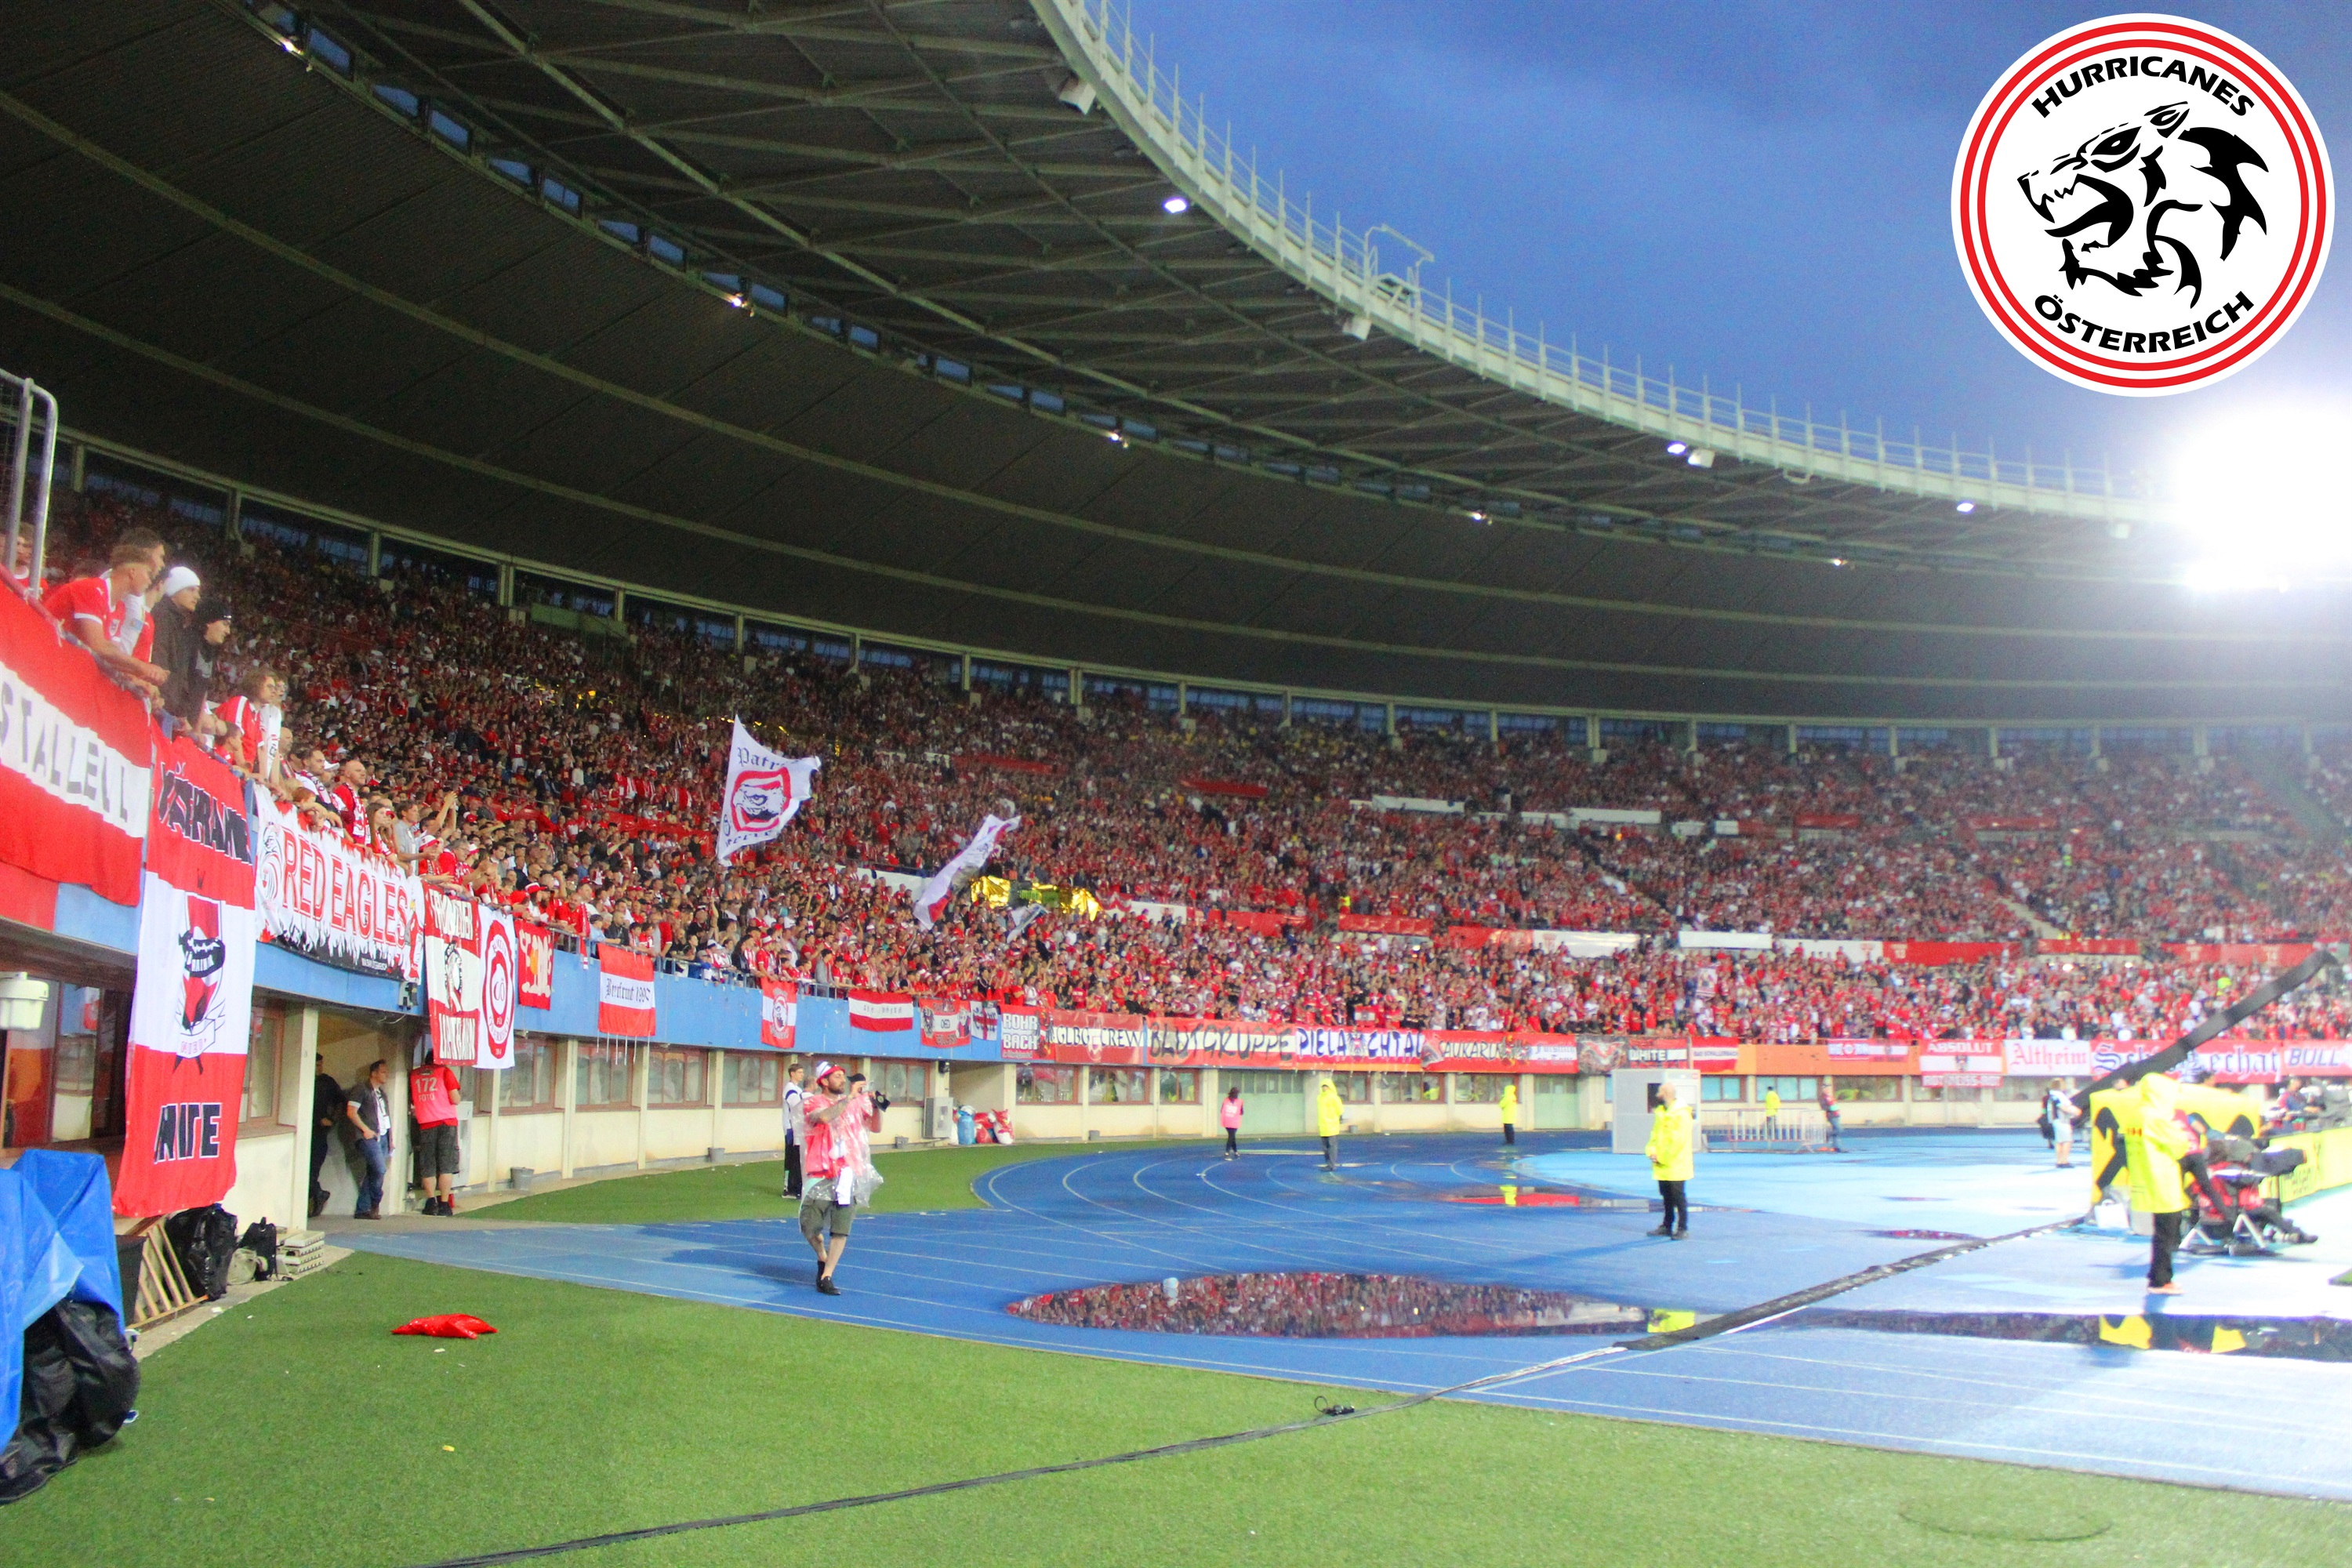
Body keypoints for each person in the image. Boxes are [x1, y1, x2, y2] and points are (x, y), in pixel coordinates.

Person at [42, 535, 169, 691]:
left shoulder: (120, 608)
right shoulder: (92, 589)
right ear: (133, 572)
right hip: (43, 659)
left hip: (62, 670)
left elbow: (111, 654)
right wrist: (142, 667)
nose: (150, 581)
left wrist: (139, 681)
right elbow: (98, 646)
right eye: (148, 574)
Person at [798, 1061, 879, 1295]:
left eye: (844, 1076)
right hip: (820, 1172)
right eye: (837, 1077)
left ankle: (827, 1275)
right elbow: (824, 1118)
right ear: (823, 1081)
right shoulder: (813, 1102)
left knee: (841, 1228)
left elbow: (875, 1128)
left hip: (848, 1172)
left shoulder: (855, 1103)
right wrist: (850, 1099)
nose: (843, 1081)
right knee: (809, 1226)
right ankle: (822, 1256)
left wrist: (878, 1108)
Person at [2126, 1074, 2193, 1295]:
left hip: (2144, 1178)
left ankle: (2158, 1276)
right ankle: (2160, 1280)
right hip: (2162, 1179)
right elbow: (2180, 1145)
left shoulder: (2136, 1115)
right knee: (2167, 1233)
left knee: (2161, 1232)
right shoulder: (2156, 1118)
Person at [410, 1051, 463, 1216]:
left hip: (425, 1123)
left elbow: (412, 1099)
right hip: (446, 1122)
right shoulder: (445, 1072)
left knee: (428, 1165)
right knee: (446, 1164)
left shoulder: (414, 1075)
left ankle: (431, 1202)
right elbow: (455, 1099)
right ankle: (444, 1204)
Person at [343, 1060, 392, 1219]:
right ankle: (376, 1201)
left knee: (373, 1172)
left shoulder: (381, 1093)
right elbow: (351, 1112)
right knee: (379, 1169)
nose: (386, 1075)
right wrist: (365, 1129)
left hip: (383, 1136)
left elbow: (386, 1117)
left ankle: (363, 1208)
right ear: (374, 1073)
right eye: (383, 1072)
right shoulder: (361, 1089)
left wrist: (390, 1138)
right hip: (369, 1136)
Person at [1646, 1082, 1693, 1240]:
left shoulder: (1681, 1114)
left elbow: (1679, 1141)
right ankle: (1667, 1225)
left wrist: (1662, 1157)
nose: (1657, 1095)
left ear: (1666, 1094)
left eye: (1659, 1092)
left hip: (1676, 1163)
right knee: (1666, 1196)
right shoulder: (1661, 1112)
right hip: (1662, 1164)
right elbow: (1655, 1135)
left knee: (1678, 1197)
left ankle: (1682, 1228)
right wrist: (1652, 1151)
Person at [309, 1051, 344, 1218]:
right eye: (316, 1065)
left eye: (320, 1065)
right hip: (306, 1129)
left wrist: (332, 1119)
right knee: (306, 1171)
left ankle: (317, 1196)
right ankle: (318, 1194)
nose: (319, 1068)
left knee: (313, 1170)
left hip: (319, 1134)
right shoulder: (304, 1080)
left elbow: (341, 1101)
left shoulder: (326, 1082)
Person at [782, 1059, 808, 1198]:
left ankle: (794, 1187)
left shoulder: (798, 1089)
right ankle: (789, 1188)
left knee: (796, 1158)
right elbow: (797, 1106)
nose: (802, 1074)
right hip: (791, 1128)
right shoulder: (790, 1089)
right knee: (792, 1158)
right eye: (799, 1072)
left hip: (796, 1128)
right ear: (792, 1074)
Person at [2045, 1081, 2078, 1168]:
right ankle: (2064, 1161)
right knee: (2067, 1141)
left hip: (2056, 1121)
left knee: (2059, 1142)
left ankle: (2059, 1161)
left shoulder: (2051, 1096)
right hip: (2062, 1121)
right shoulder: (2058, 1096)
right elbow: (2062, 1107)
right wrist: (2073, 1112)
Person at [1316, 1077, 1345, 1171]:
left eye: (1326, 1086)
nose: (1324, 1088)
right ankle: (1329, 1164)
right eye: (1323, 1086)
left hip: (1332, 1126)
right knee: (1325, 1148)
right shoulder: (1320, 1098)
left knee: (1332, 1147)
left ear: (1330, 1087)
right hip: (1323, 1126)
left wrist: (1337, 1118)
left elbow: (1340, 1110)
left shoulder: (1334, 1098)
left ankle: (1331, 1165)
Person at [1817, 1078, 1842, 1153]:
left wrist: (1836, 1107)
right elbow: (1824, 1107)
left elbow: (1834, 1103)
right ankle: (1828, 1134)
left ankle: (1836, 1147)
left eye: (1828, 1088)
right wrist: (1832, 1108)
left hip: (1836, 1115)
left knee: (1836, 1133)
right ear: (1823, 1089)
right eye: (1826, 1088)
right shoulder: (1823, 1097)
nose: (1828, 1090)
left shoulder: (1829, 1096)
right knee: (1839, 1129)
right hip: (1831, 1115)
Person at [1219, 1085, 1243, 1159]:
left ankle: (1236, 1151)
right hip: (1234, 1122)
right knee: (1231, 1136)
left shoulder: (1225, 1101)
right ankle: (1227, 1151)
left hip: (1227, 1121)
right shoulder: (1239, 1102)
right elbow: (1241, 1112)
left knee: (1232, 1136)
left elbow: (1222, 1110)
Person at [1498, 1080, 1519, 1146]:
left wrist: (1502, 1099)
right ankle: (1511, 1140)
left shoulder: (1507, 1097)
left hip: (1507, 1115)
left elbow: (1501, 1104)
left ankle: (1509, 1141)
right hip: (1511, 1115)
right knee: (1511, 1129)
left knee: (1507, 1130)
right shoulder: (1513, 1097)